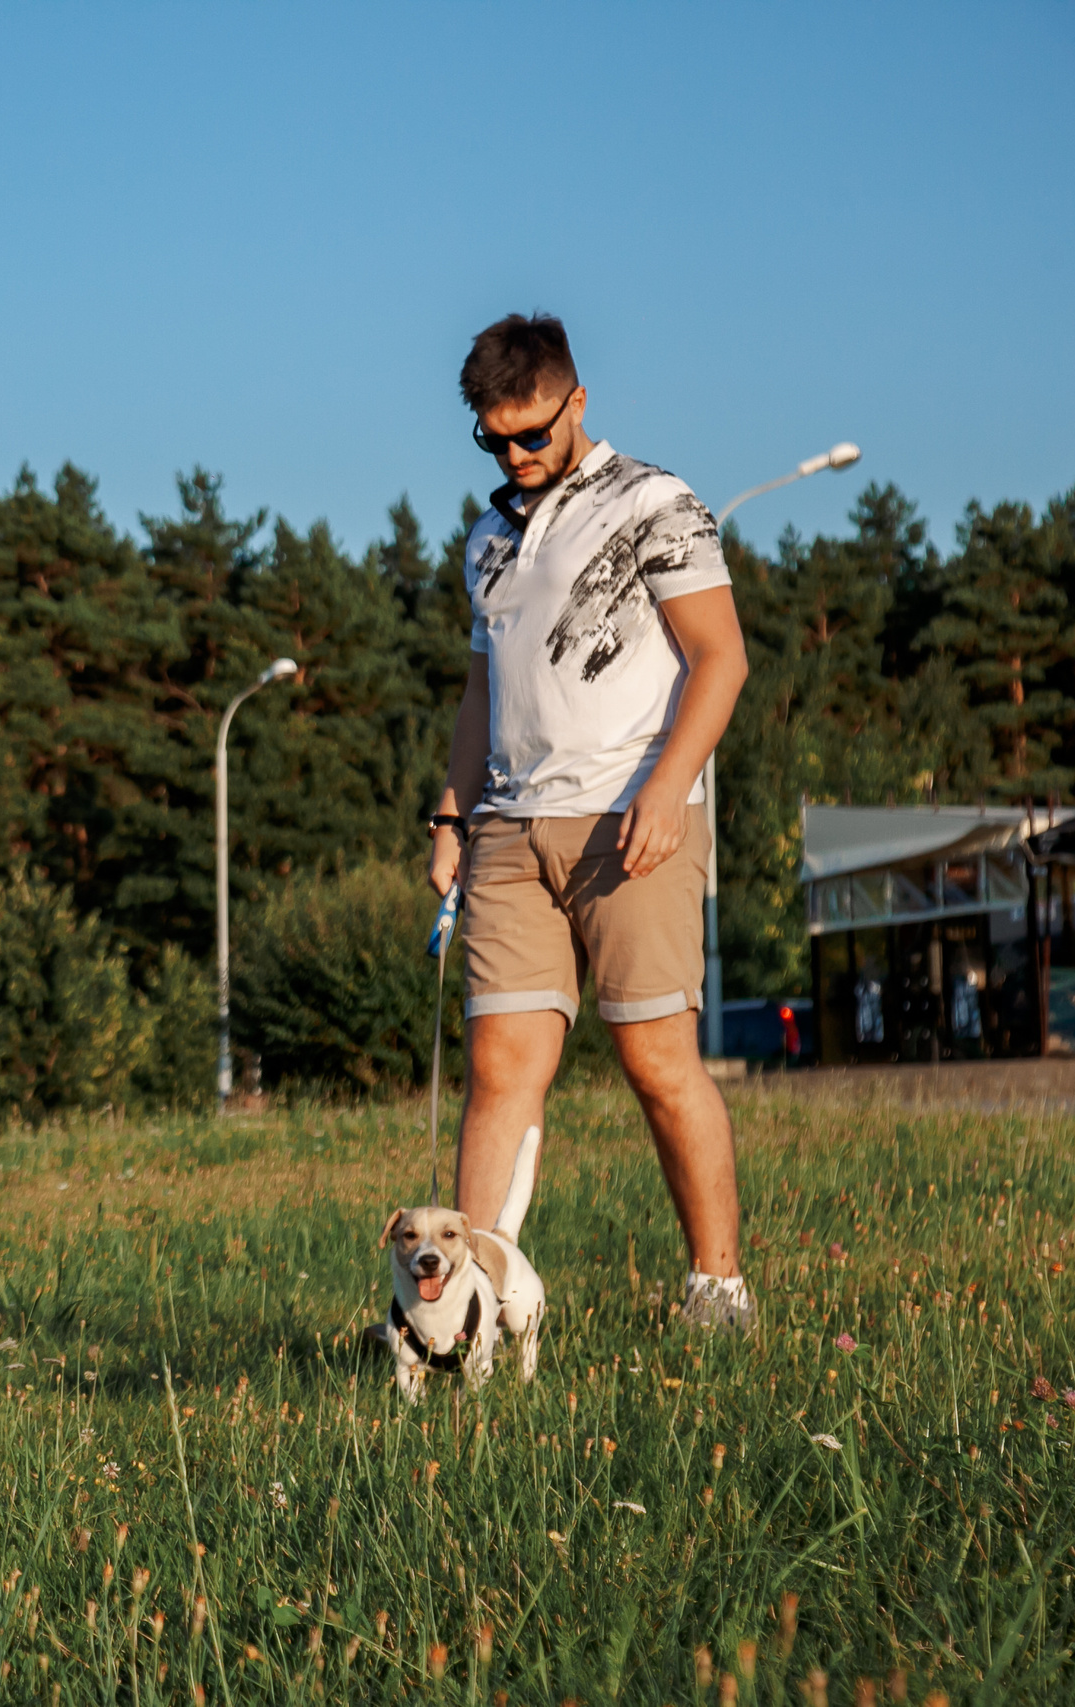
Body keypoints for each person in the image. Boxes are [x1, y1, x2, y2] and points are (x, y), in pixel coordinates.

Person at [425, 313, 758, 1332]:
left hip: (630, 821)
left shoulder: (655, 503)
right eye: (494, 440)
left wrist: (667, 789)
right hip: (511, 829)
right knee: (497, 1071)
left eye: (532, 434)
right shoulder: (486, 537)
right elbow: (482, 693)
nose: (515, 457)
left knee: (656, 1061)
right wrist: (448, 814)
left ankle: (716, 1287)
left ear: (576, 403)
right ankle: (467, 1316)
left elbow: (721, 659)